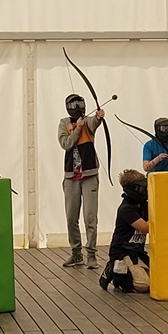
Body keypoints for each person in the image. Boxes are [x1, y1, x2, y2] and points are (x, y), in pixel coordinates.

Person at [58, 93, 104, 269]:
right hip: (71, 177)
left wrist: (99, 117)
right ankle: (76, 253)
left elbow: (95, 122)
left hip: (89, 175)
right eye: (73, 104)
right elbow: (66, 144)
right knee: (71, 217)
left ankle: (91, 254)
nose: (77, 107)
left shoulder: (88, 121)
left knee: (90, 217)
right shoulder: (64, 123)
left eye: (79, 103)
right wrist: (77, 129)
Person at [100, 169, 150, 293]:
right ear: (133, 189)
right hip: (122, 253)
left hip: (137, 253)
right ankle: (113, 269)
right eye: (143, 188)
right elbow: (146, 227)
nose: (146, 191)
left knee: (159, 279)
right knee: (144, 285)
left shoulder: (142, 205)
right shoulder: (126, 209)